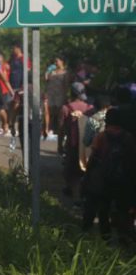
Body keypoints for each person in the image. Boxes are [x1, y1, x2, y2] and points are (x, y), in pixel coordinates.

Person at [81, 107, 136, 244]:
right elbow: (132, 158)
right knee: (122, 208)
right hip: (123, 179)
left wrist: (88, 174)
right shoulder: (128, 137)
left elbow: (94, 157)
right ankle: (123, 237)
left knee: (103, 208)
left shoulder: (102, 136)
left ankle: (106, 237)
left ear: (107, 121)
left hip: (104, 178)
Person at [59, 82, 93, 199]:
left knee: (71, 170)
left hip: (72, 145)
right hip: (87, 145)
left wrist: (59, 145)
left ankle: (75, 195)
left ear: (72, 93)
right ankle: (81, 194)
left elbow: (61, 129)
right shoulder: (90, 108)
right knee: (84, 170)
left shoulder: (66, 108)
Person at [44, 55, 71, 139]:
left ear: (62, 62)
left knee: (59, 114)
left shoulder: (65, 73)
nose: (56, 63)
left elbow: (66, 85)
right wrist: (48, 72)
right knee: (49, 112)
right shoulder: (52, 71)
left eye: (57, 61)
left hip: (60, 95)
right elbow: (46, 80)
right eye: (55, 61)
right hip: (50, 94)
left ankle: (60, 131)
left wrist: (65, 96)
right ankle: (48, 129)